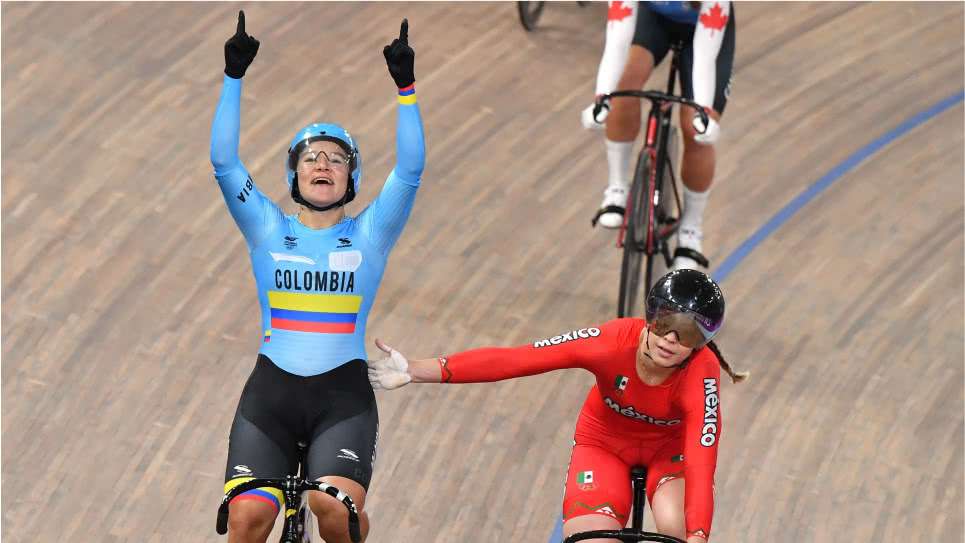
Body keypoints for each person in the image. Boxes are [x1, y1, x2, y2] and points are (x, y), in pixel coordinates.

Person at [209, 11, 424, 543]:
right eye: (311, 157)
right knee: (246, 520)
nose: (323, 163)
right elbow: (223, 161)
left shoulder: (373, 232)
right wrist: (233, 78)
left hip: (341, 399)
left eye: (336, 158)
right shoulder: (265, 226)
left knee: (336, 514)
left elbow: (411, 168)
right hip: (272, 396)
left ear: (351, 178)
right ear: (294, 174)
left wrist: (406, 90)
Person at [368, 269, 747, 542]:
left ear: (701, 344)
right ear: (649, 315)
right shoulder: (609, 341)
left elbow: (700, 459)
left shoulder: (702, 374)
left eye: (687, 335)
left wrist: (699, 536)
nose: (670, 340)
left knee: (679, 530)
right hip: (604, 446)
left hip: (671, 455)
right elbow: (518, 359)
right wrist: (418, 370)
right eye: (664, 324)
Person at [592, 2, 735, 274]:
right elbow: (617, 43)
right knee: (624, 87)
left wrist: (702, 114)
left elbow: (705, 61)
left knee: (695, 130)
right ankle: (617, 189)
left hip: (704, 31)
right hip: (654, 20)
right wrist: (603, 97)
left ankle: (691, 231)